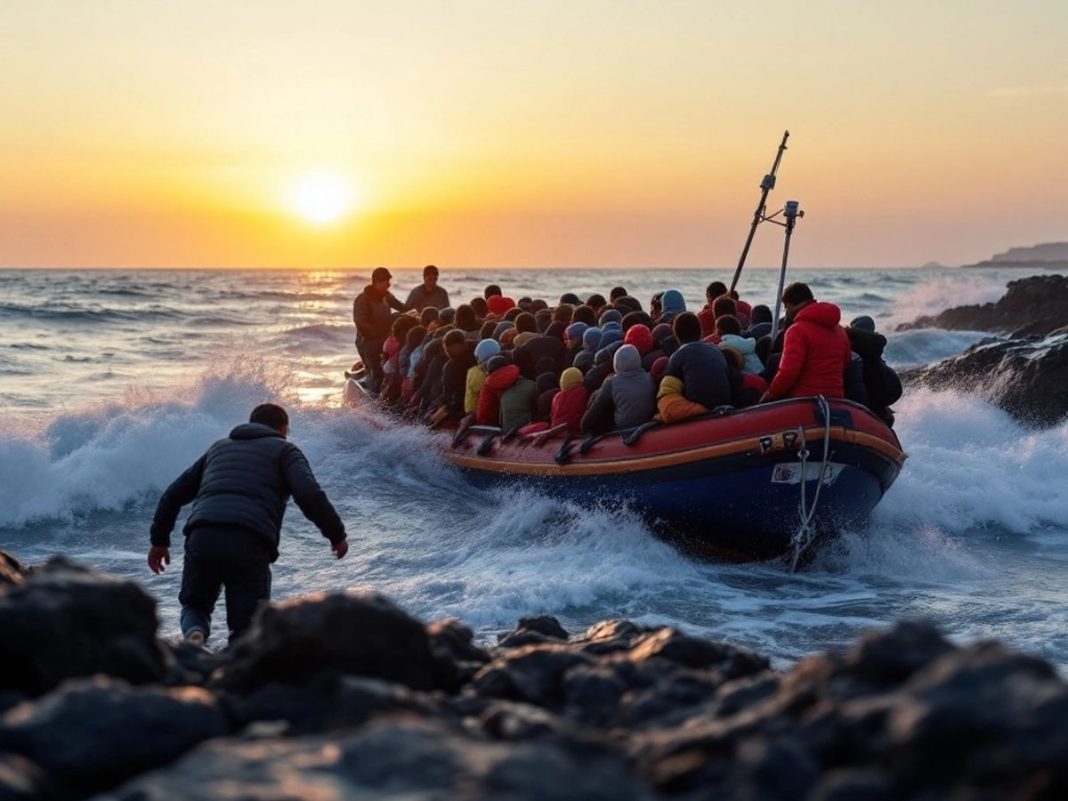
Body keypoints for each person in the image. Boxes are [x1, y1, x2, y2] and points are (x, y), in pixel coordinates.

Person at [148, 403, 347, 646]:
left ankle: (195, 635)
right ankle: (233, 671)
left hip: (202, 535)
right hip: (249, 540)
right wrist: (336, 534)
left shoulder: (218, 448)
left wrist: (159, 541)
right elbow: (308, 494)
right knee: (248, 630)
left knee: (195, 606)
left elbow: (173, 494)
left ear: (251, 423)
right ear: (284, 429)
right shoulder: (286, 451)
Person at [761, 282, 852, 402]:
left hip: (804, 400)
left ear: (789, 305)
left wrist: (769, 395)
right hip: (835, 399)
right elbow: (846, 361)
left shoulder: (797, 331)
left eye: (786, 308)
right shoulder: (839, 330)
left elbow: (788, 372)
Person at [353, 267, 410, 393]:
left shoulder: (387, 297)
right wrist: (380, 332)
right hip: (367, 343)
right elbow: (361, 324)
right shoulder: (363, 300)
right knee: (377, 374)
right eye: (386, 282)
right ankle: (374, 398)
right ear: (377, 282)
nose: (389, 285)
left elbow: (403, 308)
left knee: (388, 371)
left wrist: (414, 313)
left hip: (384, 340)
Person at [665, 312, 732, 409]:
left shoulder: (677, 356)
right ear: (700, 332)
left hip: (699, 410)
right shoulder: (716, 350)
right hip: (725, 403)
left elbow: (668, 385)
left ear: (676, 335)